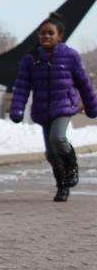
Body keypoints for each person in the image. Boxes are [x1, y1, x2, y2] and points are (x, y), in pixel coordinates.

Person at [9, 12, 97, 201]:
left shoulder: (70, 56)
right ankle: (62, 186)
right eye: (43, 33)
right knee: (51, 153)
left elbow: (84, 83)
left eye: (50, 33)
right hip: (43, 109)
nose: (46, 36)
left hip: (64, 105)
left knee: (58, 138)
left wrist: (92, 106)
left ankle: (72, 166)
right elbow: (22, 86)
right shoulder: (31, 58)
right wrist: (17, 108)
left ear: (60, 36)